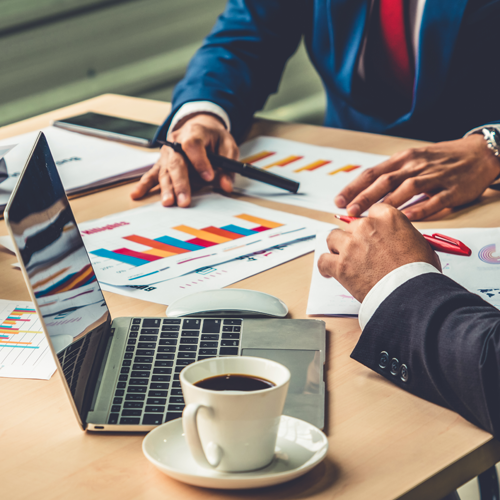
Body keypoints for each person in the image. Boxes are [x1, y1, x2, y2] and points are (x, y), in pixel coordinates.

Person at [131, 0, 500, 220]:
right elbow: (247, 36)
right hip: (342, 189)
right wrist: (203, 113)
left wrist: (492, 147)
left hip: (481, 200)